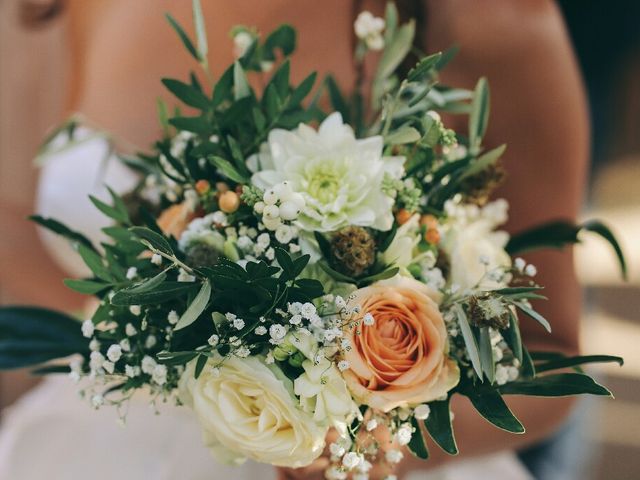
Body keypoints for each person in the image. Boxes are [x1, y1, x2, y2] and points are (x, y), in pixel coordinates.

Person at [0, 1, 587, 479]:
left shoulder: (486, 18)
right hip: (104, 450)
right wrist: (152, 343)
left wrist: (369, 443)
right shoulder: (48, 8)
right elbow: (21, 237)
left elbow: (553, 356)